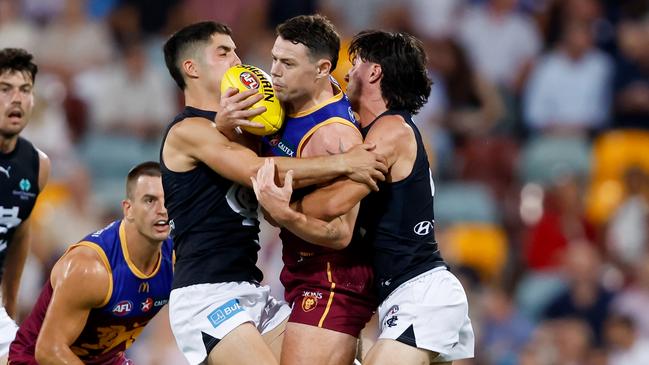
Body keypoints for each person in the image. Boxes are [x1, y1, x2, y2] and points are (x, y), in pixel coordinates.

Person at [160, 21, 386, 365]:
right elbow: (259, 173)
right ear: (191, 68)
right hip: (206, 294)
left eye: (236, 50)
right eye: (223, 52)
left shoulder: (243, 127)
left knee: (349, 354)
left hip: (251, 290)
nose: (237, 59)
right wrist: (344, 163)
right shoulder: (187, 129)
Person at [253, 30, 475, 364]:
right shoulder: (373, 132)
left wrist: (282, 208)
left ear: (374, 72)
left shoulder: (390, 131)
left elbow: (333, 205)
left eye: (354, 63)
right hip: (398, 296)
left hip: (420, 292)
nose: (346, 71)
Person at [254, 15, 376, 365]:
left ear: (323, 68)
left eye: (288, 63)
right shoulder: (277, 103)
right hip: (299, 270)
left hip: (332, 277)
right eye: (274, 58)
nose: (275, 71)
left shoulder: (335, 136)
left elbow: (340, 234)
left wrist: (282, 214)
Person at [8, 161, 173, 365]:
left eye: (168, 200)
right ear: (128, 209)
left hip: (105, 359)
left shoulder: (176, 258)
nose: (162, 210)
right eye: (150, 200)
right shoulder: (89, 268)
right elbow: (49, 351)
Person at [0, 48, 50, 363]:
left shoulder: (37, 166)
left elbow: (20, 234)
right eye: (5, 89)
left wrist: (9, 307)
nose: (16, 99)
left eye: (25, 90)